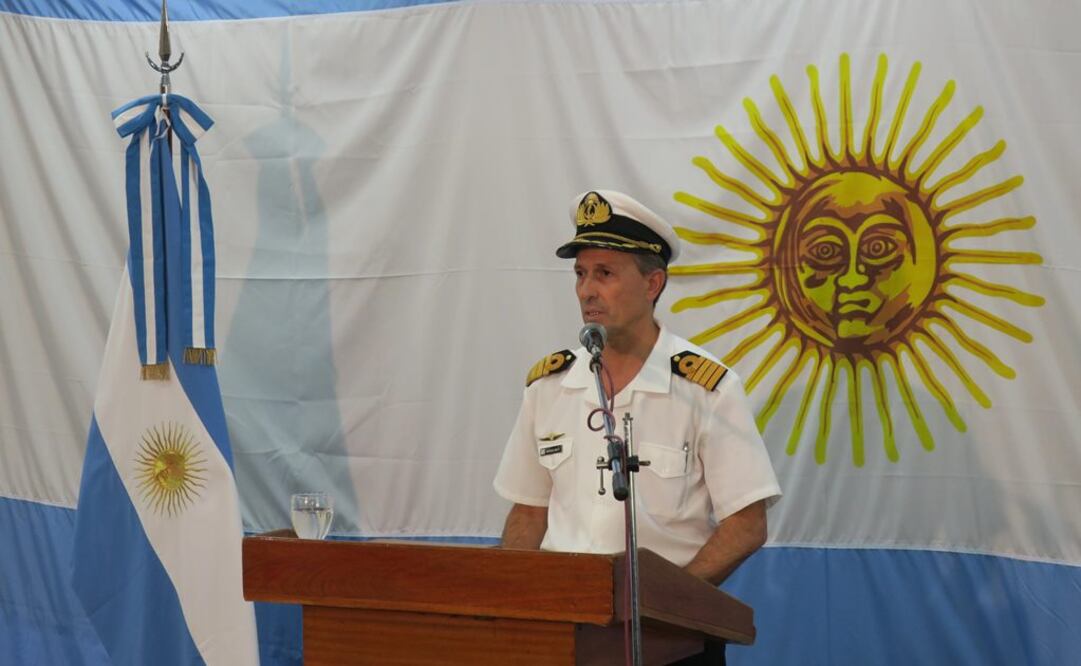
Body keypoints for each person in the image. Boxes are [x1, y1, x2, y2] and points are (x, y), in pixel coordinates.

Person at [493, 189, 781, 587]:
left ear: (652, 284)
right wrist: (517, 602)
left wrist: (667, 606)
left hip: (668, 636)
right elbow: (528, 512)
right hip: (566, 622)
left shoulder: (706, 389)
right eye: (581, 274)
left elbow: (747, 524)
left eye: (605, 274)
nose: (586, 290)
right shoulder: (550, 385)